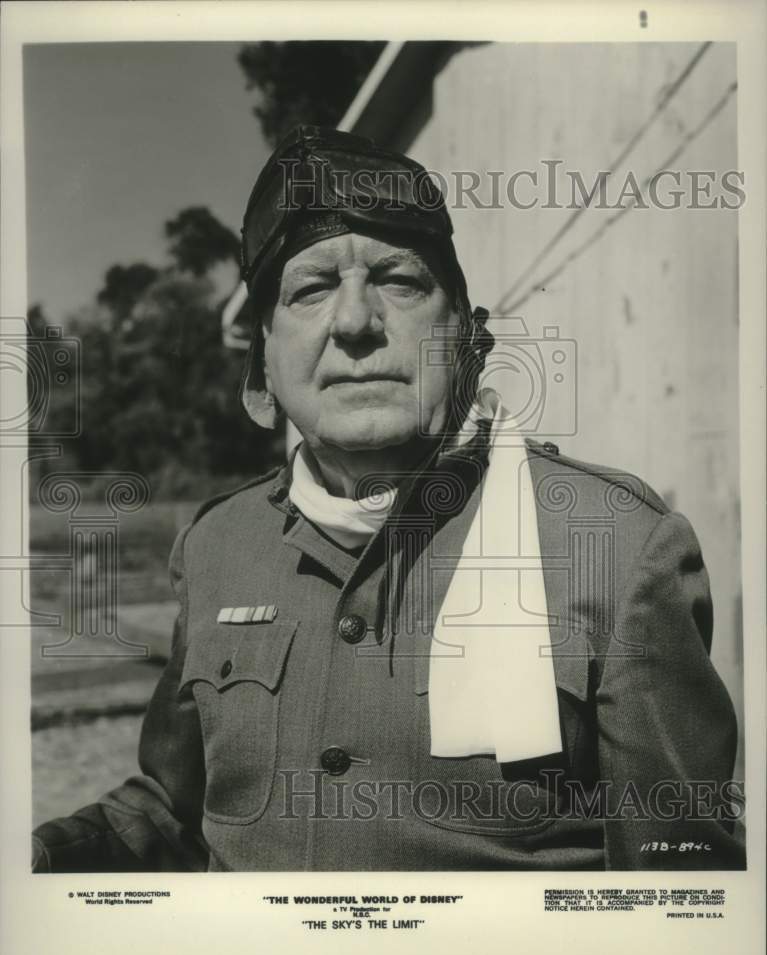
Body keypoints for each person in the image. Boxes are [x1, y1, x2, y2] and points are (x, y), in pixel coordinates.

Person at [32, 125, 744, 872]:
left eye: (399, 280)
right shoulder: (217, 546)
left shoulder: (619, 548)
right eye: (309, 289)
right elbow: (172, 811)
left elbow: (678, 892)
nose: (353, 322)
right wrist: (46, 857)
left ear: (469, 338)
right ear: (263, 369)